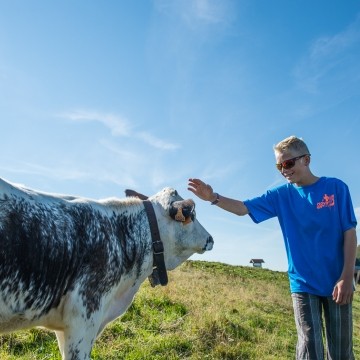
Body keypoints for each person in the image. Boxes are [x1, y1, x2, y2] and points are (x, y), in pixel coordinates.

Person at [188, 135, 357, 360]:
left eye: (288, 163)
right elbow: (243, 208)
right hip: (303, 284)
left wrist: (347, 277)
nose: (283, 170)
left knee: (341, 352)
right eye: (279, 166)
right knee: (310, 348)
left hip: (338, 280)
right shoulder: (281, 195)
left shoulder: (336, 188)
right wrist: (213, 197)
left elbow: (349, 233)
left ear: (306, 160)